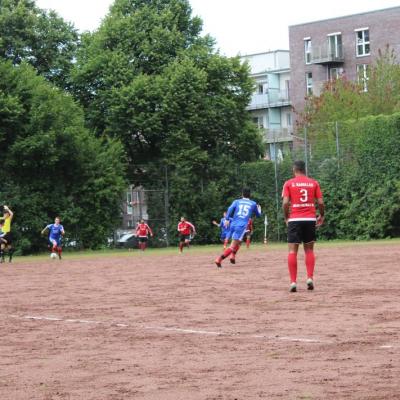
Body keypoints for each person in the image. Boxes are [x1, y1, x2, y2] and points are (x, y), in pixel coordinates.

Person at [282, 160, 324, 292]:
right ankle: (310, 278)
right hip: (310, 219)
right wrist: (321, 215)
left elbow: (285, 203)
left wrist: (286, 217)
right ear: (304, 170)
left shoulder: (288, 183)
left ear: (294, 169)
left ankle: (293, 282)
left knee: (292, 251)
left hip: (295, 219)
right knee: (309, 250)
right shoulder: (314, 183)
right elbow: (321, 202)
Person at [215, 188, 261, 268]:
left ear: (242, 194)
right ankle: (219, 259)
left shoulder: (236, 201)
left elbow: (230, 209)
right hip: (241, 225)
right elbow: (258, 215)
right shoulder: (253, 203)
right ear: (250, 195)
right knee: (233, 245)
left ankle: (232, 255)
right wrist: (259, 210)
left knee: (239, 241)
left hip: (233, 224)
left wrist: (226, 219)